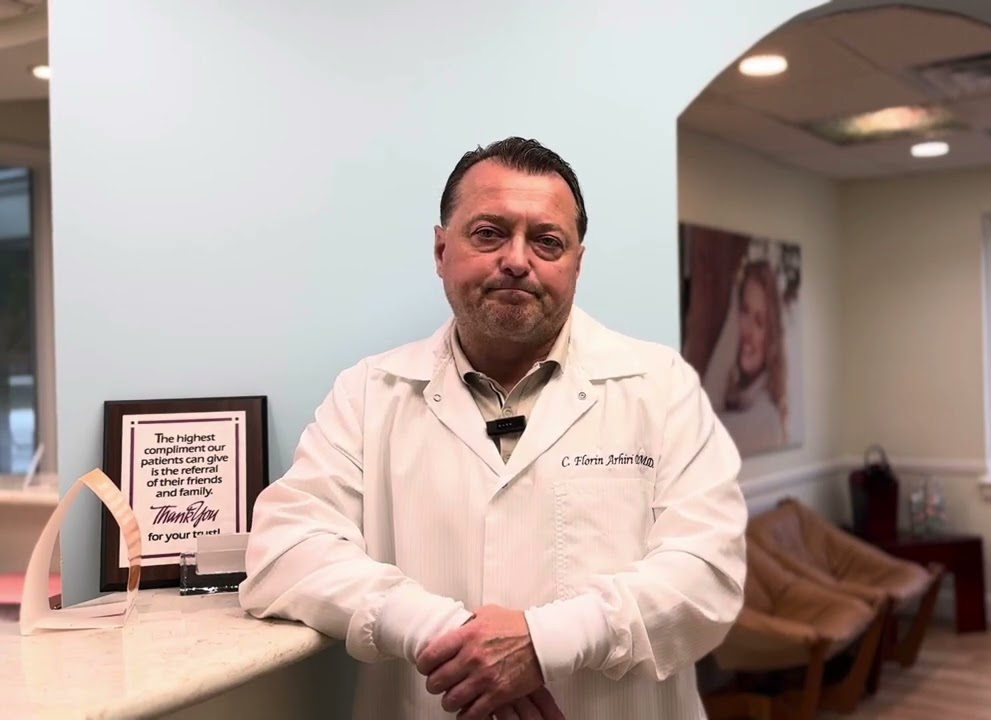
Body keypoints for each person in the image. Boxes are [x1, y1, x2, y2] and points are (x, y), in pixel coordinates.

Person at [239, 137, 748, 720]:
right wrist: (430, 627)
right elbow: (286, 549)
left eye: (547, 241)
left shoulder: (660, 386)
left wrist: (548, 641)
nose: (517, 260)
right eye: (488, 233)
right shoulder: (369, 393)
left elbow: (708, 572)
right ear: (441, 249)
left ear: (577, 263)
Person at [718, 259, 788, 455]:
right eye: (744, 311)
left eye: (759, 322)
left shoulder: (766, 419)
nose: (747, 330)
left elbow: (699, 432)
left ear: (771, 338)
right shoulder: (737, 396)